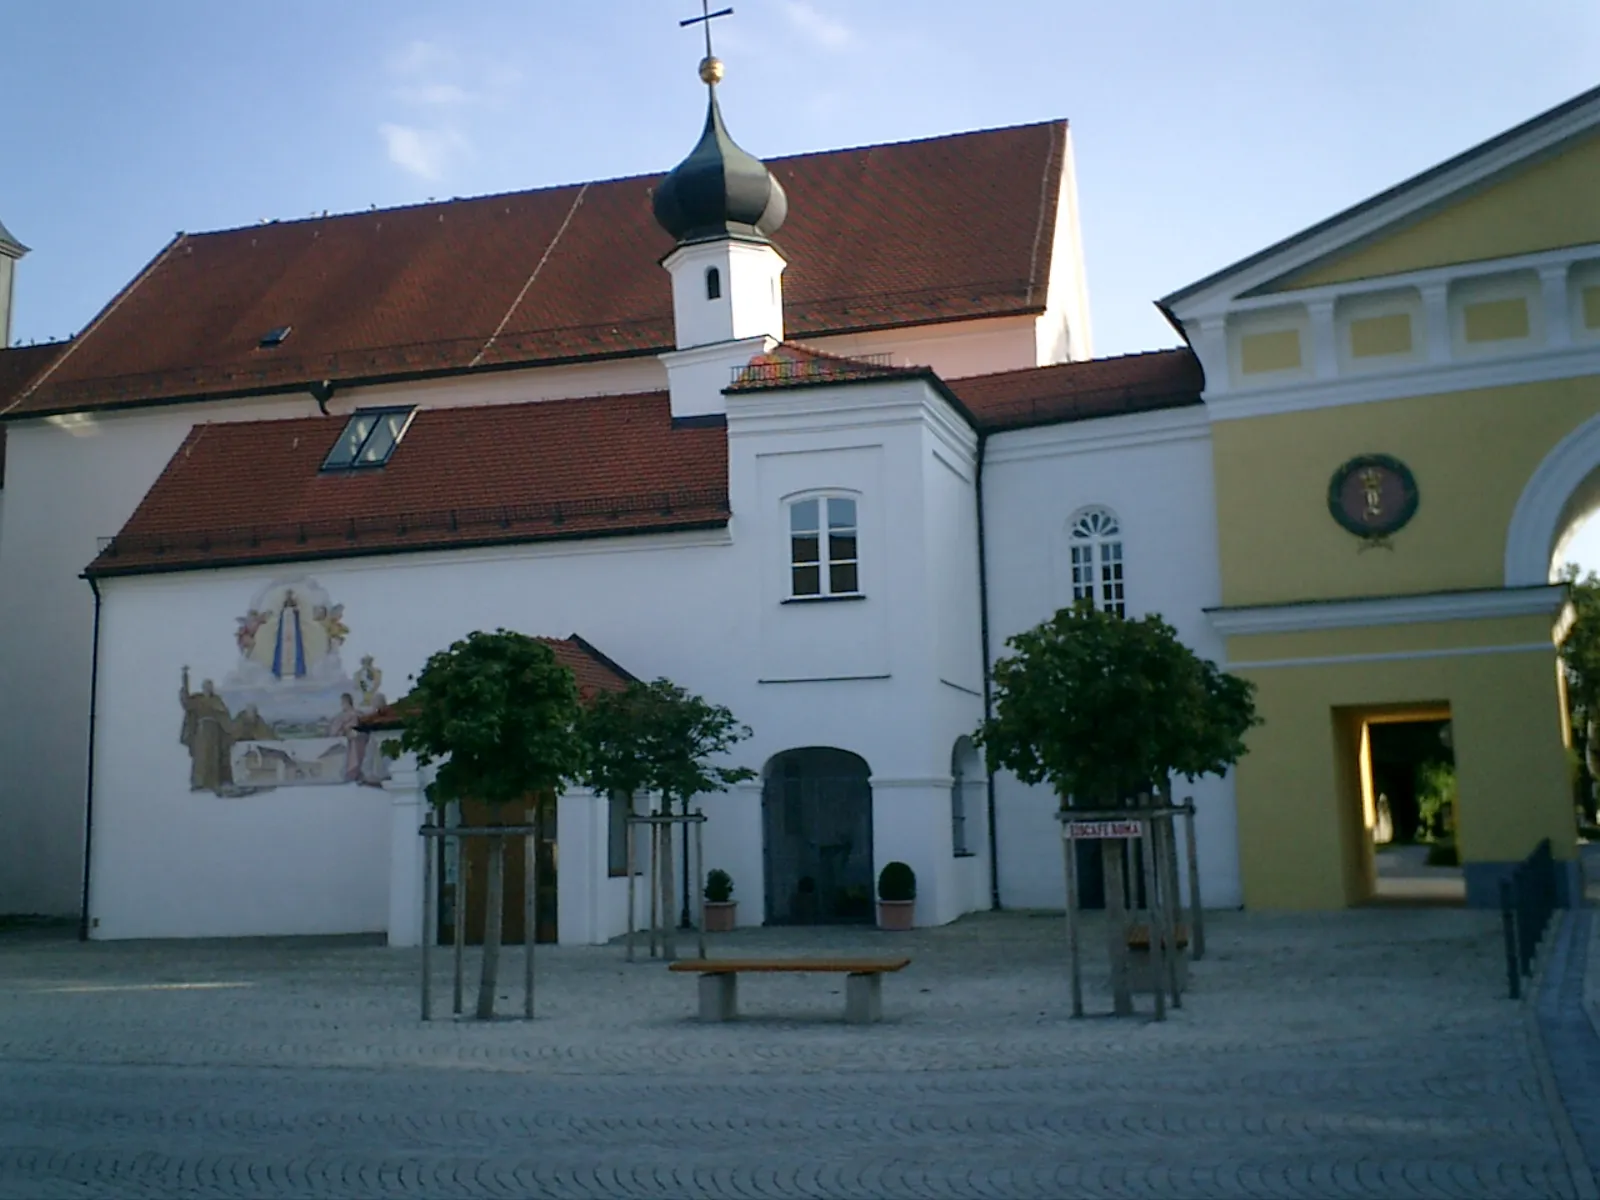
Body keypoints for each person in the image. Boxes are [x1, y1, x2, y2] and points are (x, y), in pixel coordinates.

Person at [178, 667, 237, 793]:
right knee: (201, 757)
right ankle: (200, 782)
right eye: (206, 686)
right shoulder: (197, 699)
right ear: (203, 687)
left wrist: (230, 731)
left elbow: (223, 715)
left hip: (214, 732)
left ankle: (213, 781)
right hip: (201, 731)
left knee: (214, 756)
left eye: (210, 686)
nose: (208, 688)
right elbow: (186, 703)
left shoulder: (217, 700)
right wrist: (184, 680)